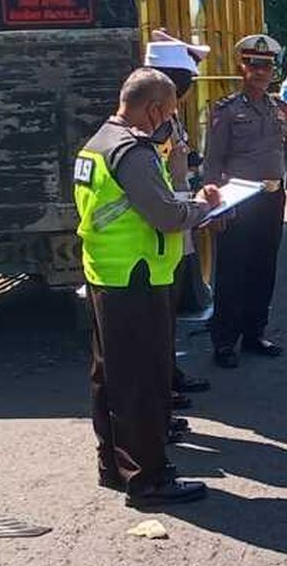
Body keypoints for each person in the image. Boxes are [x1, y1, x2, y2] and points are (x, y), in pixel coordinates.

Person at [75, 68, 220, 507]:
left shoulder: (97, 144)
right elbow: (166, 216)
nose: (169, 122)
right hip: (138, 277)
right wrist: (203, 208)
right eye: (170, 113)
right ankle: (148, 479)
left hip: (107, 273)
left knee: (110, 377)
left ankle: (113, 466)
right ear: (154, 109)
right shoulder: (133, 152)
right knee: (143, 380)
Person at [203, 34, 287, 369]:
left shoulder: (281, 109)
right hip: (239, 200)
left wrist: (278, 176)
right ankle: (225, 341)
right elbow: (213, 161)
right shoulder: (226, 111)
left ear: (273, 70)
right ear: (241, 67)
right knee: (232, 271)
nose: (259, 72)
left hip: (271, 198)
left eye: (266, 66)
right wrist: (216, 205)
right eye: (253, 65)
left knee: (263, 268)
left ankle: (255, 333)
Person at [145, 31, 213, 405]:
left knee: (167, 313)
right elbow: (160, 180)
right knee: (158, 316)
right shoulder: (153, 125)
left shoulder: (166, 119)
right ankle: (161, 387)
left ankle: (169, 374)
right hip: (162, 227)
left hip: (176, 224)